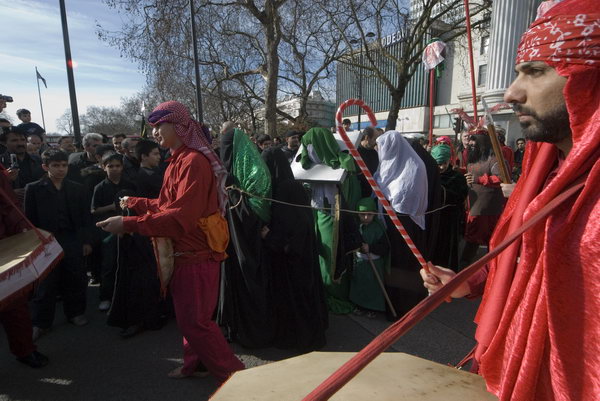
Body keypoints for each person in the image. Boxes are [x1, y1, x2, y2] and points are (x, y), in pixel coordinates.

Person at [422, 1, 599, 399]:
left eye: (535, 72)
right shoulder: (543, 174)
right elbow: (526, 264)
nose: (513, 91)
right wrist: (470, 282)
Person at [97, 101, 243, 384]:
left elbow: (180, 218)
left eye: (158, 126)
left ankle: (237, 378)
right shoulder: (179, 159)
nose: (154, 133)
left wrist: (127, 223)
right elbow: (168, 205)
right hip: (184, 253)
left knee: (195, 322)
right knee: (190, 319)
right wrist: (138, 203)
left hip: (196, 255)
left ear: (178, 127)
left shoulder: (192, 162)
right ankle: (195, 365)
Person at [260, 146, 328, 351]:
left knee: (294, 299)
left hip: (292, 256)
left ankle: (300, 338)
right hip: (303, 253)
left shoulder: (283, 190)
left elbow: (286, 228)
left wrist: (269, 236)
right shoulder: (293, 185)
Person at [25, 149, 93, 340]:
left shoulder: (77, 188)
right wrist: (35, 244)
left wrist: (86, 241)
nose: (61, 169)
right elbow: (30, 220)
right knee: (46, 283)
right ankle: (41, 322)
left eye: (64, 165)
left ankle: (75, 312)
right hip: (46, 241)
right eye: (55, 165)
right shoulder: (34, 189)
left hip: (72, 238)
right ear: (45, 166)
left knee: (76, 277)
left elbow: (85, 217)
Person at [218, 122, 274, 348]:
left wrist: (231, 195)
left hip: (245, 242)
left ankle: (251, 329)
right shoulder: (247, 172)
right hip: (241, 241)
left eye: (226, 150)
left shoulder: (250, 178)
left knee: (247, 281)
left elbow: (253, 207)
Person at [0, 163, 49, 368]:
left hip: (4, 247)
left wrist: (23, 230)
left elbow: (9, 205)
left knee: (15, 304)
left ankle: (25, 350)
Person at [91, 153, 136, 311]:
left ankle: (127, 296)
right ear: (104, 167)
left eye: (117, 166)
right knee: (109, 265)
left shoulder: (129, 185)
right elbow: (94, 210)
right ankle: (106, 297)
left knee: (129, 263)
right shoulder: (100, 187)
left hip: (128, 228)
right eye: (110, 166)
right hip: (108, 232)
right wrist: (112, 207)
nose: (115, 169)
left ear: (122, 167)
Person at [461, 132, 505, 265]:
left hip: (488, 207)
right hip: (473, 203)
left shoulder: (494, 158)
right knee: (473, 236)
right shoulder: (474, 156)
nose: (470, 143)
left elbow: (502, 178)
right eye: (470, 140)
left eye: (474, 140)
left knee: (486, 239)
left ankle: (488, 267)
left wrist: (479, 179)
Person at [349, 197, 390, 318]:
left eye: (369, 214)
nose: (366, 217)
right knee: (360, 286)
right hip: (360, 262)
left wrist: (370, 247)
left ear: (374, 214)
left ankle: (373, 308)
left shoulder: (378, 228)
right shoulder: (356, 226)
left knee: (373, 287)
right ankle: (360, 306)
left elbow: (385, 247)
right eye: (362, 214)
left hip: (374, 264)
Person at [430, 144, 468, 271]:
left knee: (448, 251)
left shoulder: (457, 177)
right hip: (432, 220)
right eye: (437, 163)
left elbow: (460, 196)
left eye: (443, 163)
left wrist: (441, 192)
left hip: (449, 221)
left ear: (449, 161)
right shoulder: (429, 176)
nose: (440, 167)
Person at [0, 128, 44, 200]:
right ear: (5, 143)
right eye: (14, 140)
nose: (20, 143)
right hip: (12, 207)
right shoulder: (1, 162)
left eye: (23, 140)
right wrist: (10, 193)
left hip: (37, 203)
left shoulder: (38, 160)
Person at [357, 126, 380, 198]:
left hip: (372, 192)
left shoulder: (374, 153)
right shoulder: (356, 152)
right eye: (374, 139)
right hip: (359, 191)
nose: (376, 143)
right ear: (367, 137)